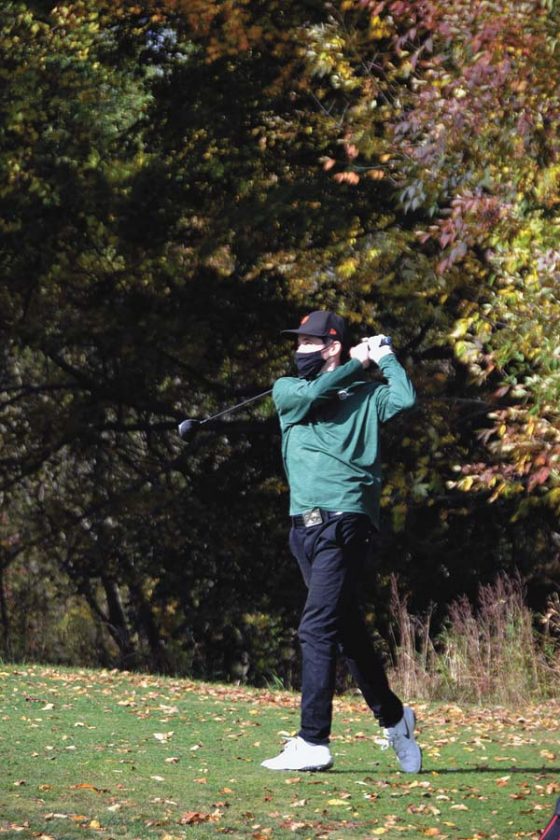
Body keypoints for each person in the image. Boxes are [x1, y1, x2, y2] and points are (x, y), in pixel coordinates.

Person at [261, 310, 421, 774]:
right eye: (299, 344)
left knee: (316, 628)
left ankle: (313, 740)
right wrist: (357, 362)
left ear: (330, 346)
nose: (299, 351)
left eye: (308, 343)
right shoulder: (288, 389)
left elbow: (405, 399)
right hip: (303, 529)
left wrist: (384, 357)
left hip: (346, 521)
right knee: (346, 630)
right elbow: (316, 394)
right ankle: (395, 717)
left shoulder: (367, 396)